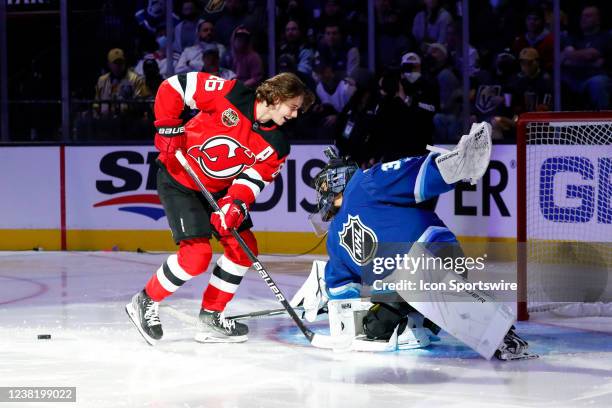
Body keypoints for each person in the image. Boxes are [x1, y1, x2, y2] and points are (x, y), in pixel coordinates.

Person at [291, 124, 536, 360]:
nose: (321, 196)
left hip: (433, 253)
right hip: (400, 287)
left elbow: (412, 175)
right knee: (375, 328)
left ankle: (500, 332)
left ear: (334, 182)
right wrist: (325, 304)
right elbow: (341, 289)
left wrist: (456, 165)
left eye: (322, 189)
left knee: (425, 282)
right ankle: (425, 321)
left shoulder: (364, 184)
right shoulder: (334, 237)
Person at [126, 71, 314, 345]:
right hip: (180, 179)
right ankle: (145, 300)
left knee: (243, 249)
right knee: (196, 256)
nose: (295, 115)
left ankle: (211, 316)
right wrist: (168, 126)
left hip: (220, 190)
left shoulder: (278, 144)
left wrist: (235, 203)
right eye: (293, 107)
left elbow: (253, 178)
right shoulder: (231, 93)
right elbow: (174, 87)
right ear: (276, 97)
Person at [561, 5, 611, 110]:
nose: (583, 19)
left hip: (595, 77)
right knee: (559, 80)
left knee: (598, 83)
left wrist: (571, 57)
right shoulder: (574, 37)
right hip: (573, 78)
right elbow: (563, 59)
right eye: (582, 16)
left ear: (598, 20)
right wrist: (592, 63)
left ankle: (603, 120)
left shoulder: (605, 36)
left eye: (588, 16)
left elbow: (590, 55)